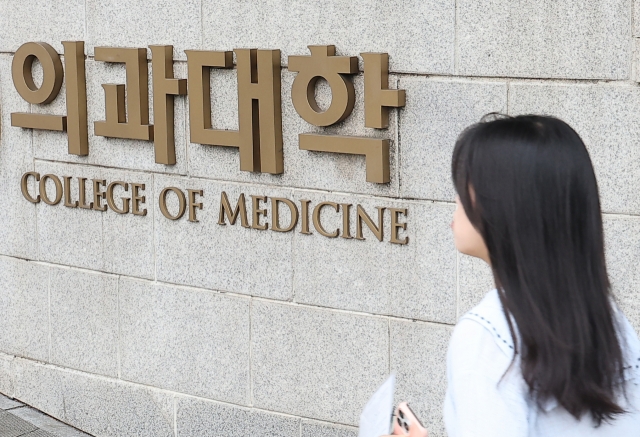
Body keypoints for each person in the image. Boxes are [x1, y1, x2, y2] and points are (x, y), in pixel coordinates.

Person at [443, 114, 640, 436]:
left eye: (465, 186)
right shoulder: (607, 319)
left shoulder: (488, 335)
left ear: (507, 203)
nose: (456, 200)